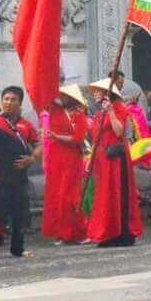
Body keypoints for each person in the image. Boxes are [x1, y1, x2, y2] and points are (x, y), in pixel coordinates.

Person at [0, 86, 39, 258]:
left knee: (21, 212)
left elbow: (38, 144)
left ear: (20, 103)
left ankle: (18, 248)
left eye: (13, 100)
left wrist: (32, 159)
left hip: (20, 176)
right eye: (6, 99)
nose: (8, 102)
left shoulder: (26, 125)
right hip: (1, 175)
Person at [85, 78, 142, 247]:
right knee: (105, 196)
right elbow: (96, 138)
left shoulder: (119, 109)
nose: (95, 94)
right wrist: (91, 159)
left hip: (117, 159)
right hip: (103, 160)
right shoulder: (98, 115)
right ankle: (107, 232)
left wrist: (110, 112)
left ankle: (122, 233)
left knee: (118, 194)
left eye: (99, 91)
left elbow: (119, 131)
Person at [42, 85, 89, 245]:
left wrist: (57, 137)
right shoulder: (56, 111)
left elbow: (78, 139)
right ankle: (61, 233)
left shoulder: (79, 115)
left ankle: (78, 232)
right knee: (56, 195)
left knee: (68, 196)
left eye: (64, 95)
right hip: (56, 159)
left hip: (71, 159)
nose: (61, 97)